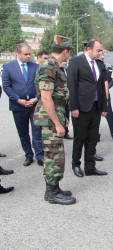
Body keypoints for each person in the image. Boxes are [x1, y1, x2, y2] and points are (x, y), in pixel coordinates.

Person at [33, 35, 76, 205]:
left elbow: (58, 97)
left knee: (55, 153)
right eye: (69, 52)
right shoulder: (49, 66)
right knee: (54, 155)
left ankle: (53, 189)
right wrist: (57, 123)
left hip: (55, 113)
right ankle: (53, 193)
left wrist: (62, 116)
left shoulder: (53, 65)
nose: (69, 55)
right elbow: (46, 97)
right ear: (65, 51)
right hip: (49, 118)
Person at [68, 39, 108, 178]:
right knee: (80, 138)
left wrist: (104, 106)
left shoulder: (99, 64)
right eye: (98, 50)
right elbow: (71, 85)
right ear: (88, 49)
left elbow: (101, 87)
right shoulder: (76, 62)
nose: (100, 53)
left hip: (96, 107)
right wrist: (73, 107)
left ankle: (90, 167)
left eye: (101, 50)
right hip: (81, 108)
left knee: (92, 139)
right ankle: (76, 164)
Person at [2, 43, 44, 167]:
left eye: (29, 54)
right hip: (18, 106)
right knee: (23, 132)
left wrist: (36, 98)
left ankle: (40, 155)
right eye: (25, 54)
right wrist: (18, 100)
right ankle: (28, 155)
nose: (28, 56)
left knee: (37, 132)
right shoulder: (8, 67)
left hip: (34, 105)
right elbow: (7, 86)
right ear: (17, 53)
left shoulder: (36, 67)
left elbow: (41, 84)